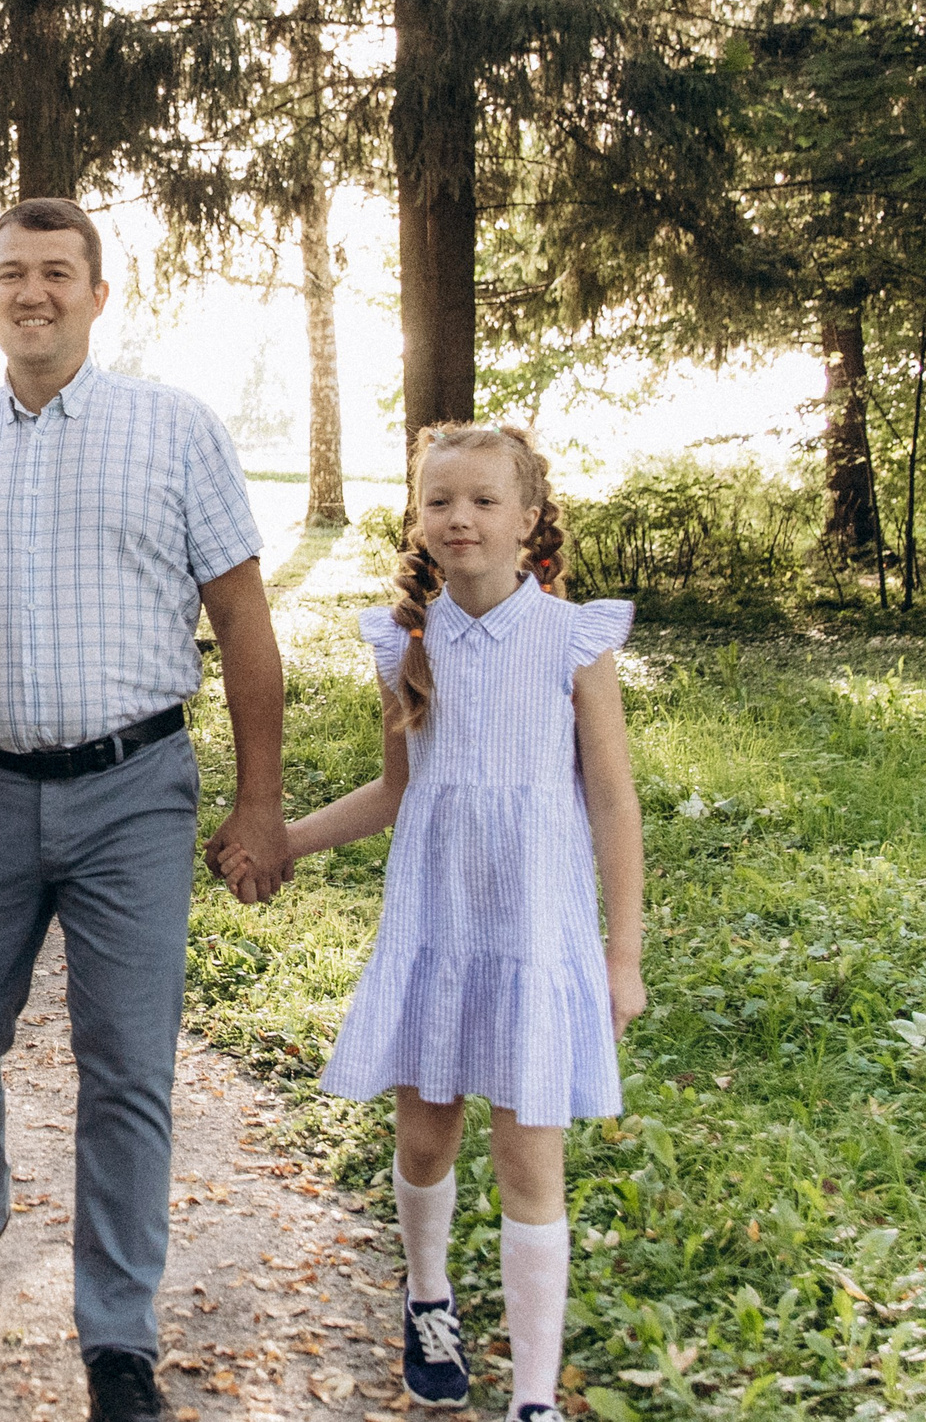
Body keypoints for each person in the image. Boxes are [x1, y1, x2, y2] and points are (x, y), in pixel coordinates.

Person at [0, 198, 290, 1422]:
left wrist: (260, 802)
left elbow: (244, 622)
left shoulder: (174, 429)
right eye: (8, 275)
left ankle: (117, 1336)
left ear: (94, 291)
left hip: (135, 791)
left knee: (125, 1068)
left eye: (53, 274)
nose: (30, 293)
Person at [253, 424, 646, 1422]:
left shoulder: (572, 638)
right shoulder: (403, 645)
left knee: (529, 1158)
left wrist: (622, 954)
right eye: (439, 502)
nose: (458, 519)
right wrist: (283, 841)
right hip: (437, 930)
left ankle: (529, 1396)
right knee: (425, 1138)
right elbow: (395, 789)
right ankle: (427, 1297)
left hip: (536, 939)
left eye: (480, 501)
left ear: (527, 520)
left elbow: (612, 801)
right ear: (417, 520)